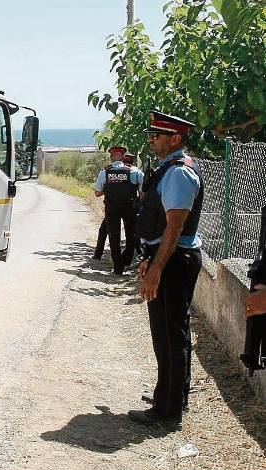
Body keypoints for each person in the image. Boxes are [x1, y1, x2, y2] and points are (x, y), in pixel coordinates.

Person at [128, 111, 202, 429]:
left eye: (158, 134)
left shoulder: (178, 174)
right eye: (151, 134)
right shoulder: (170, 169)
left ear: (176, 138)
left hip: (175, 260)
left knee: (169, 334)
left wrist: (158, 267)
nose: (152, 139)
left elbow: (174, 225)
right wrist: (151, 256)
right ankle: (169, 394)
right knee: (170, 332)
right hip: (170, 256)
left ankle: (168, 411)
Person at [93, 146, 144, 275]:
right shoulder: (134, 171)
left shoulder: (104, 172)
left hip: (112, 209)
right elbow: (143, 193)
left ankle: (118, 267)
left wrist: (108, 188)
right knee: (130, 236)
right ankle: (126, 260)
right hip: (129, 208)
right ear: (123, 157)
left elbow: (97, 193)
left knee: (113, 237)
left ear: (111, 157)